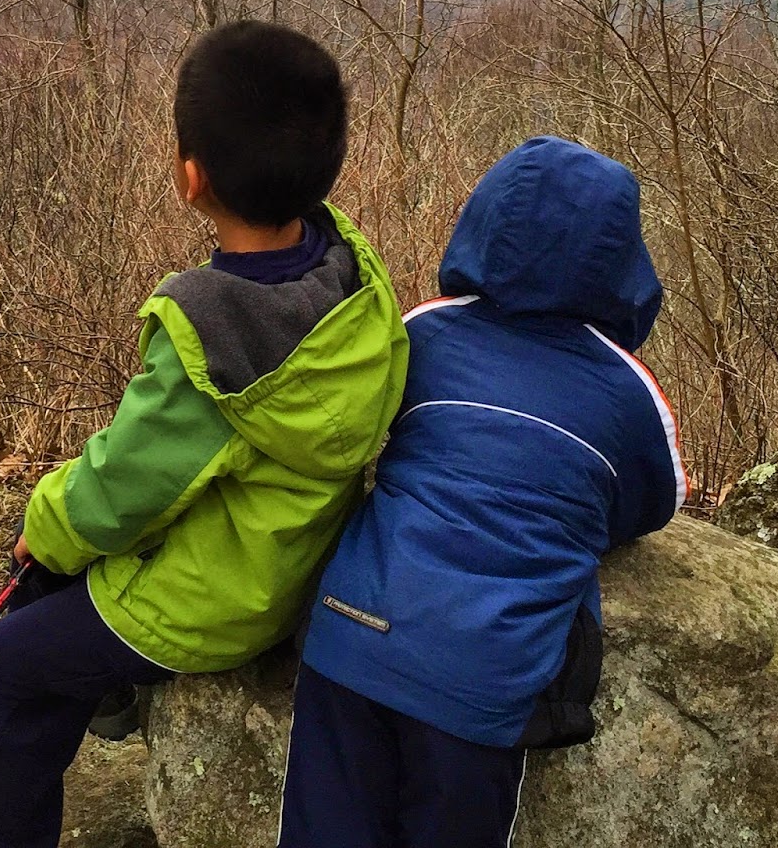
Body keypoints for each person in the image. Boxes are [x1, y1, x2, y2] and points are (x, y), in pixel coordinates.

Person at [0, 20, 409, 848]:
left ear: (190, 177)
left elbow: (122, 488)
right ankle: (107, 692)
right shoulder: (348, 274)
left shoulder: (216, 336)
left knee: (3, 671)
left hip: (214, 600)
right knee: (44, 617)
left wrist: (44, 526)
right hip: (286, 552)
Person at [280, 135, 687, 848]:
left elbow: (361, 432)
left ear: (484, 223)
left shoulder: (423, 331)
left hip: (349, 639)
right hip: (481, 683)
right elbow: (656, 504)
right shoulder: (628, 391)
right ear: (622, 258)